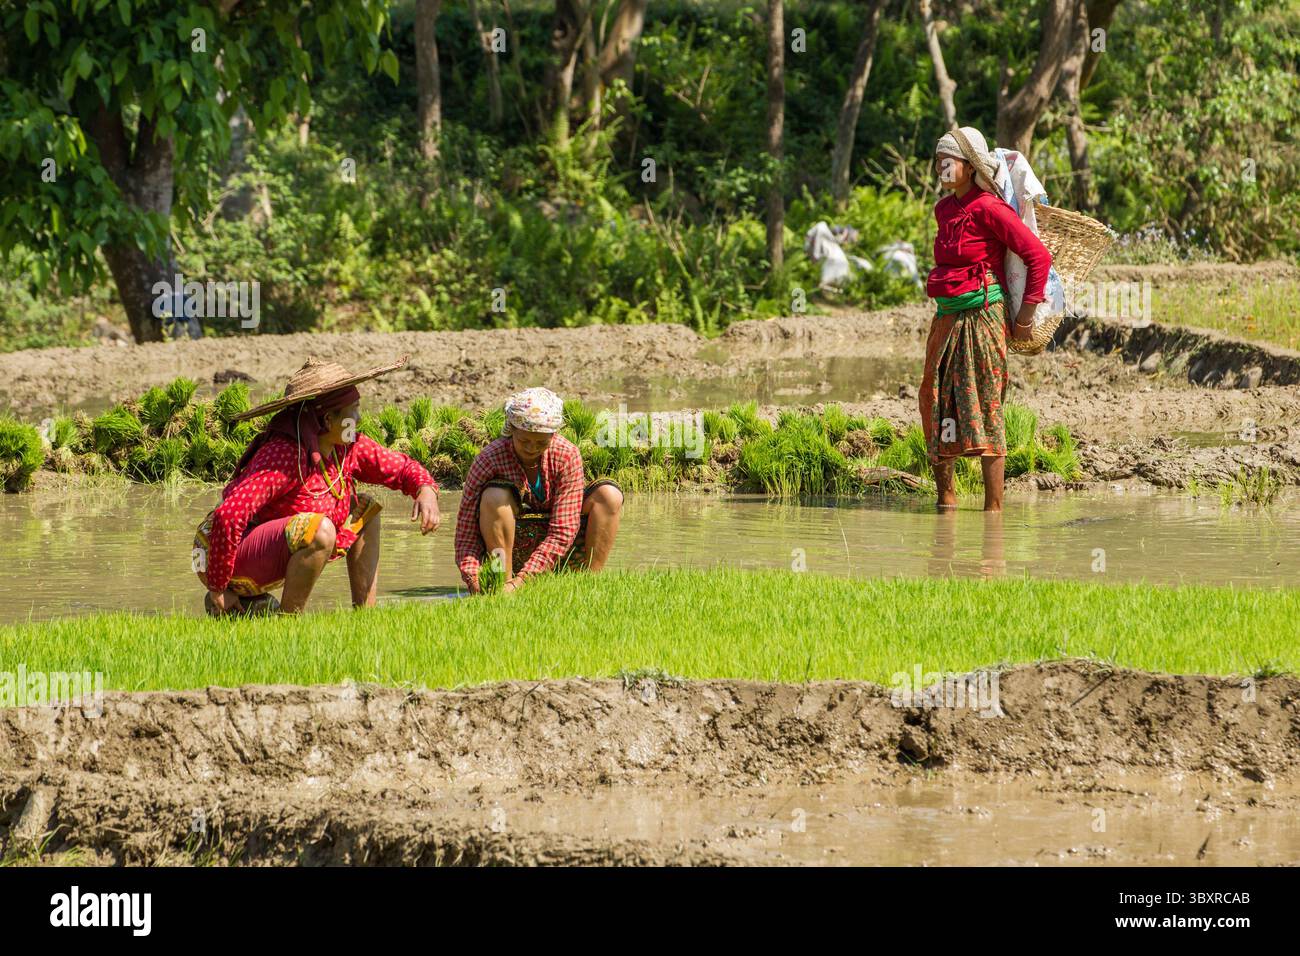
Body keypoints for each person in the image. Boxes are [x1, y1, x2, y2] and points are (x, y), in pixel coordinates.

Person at [194, 356, 441, 615]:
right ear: (327, 420)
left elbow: (401, 468)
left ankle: (365, 615)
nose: (359, 417)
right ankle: (288, 620)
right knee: (320, 530)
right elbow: (229, 514)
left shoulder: (349, 447)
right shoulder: (285, 455)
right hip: (220, 555)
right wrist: (219, 587)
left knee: (365, 509)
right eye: (353, 410)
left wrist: (425, 490)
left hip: (266, 549)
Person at [922, 126, 1052, 512]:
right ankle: (945, 501)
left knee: (985, 406)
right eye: (938, 161)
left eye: (950, 161)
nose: (942, 167)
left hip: (983, 319)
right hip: (945, 320)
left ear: (970, 166)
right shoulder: (943, 210)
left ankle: (993, 511)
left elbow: (1038, 257)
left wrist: (1025, 317)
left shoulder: (989, 208)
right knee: (936, 401)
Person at [454, 387, 623, 595]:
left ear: (553, 435)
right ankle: (501, 582)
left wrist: (524, 580)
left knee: (609, 496)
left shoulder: (567, 455)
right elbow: (466, 530)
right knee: (494, 496)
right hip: (506, 552)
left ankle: (589, 583)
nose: (532, 448)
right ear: (512, 430)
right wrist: (472, 576)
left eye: (541, 442)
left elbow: (563, 531)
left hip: (561, 551)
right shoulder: (488, 459)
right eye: (524, 441)